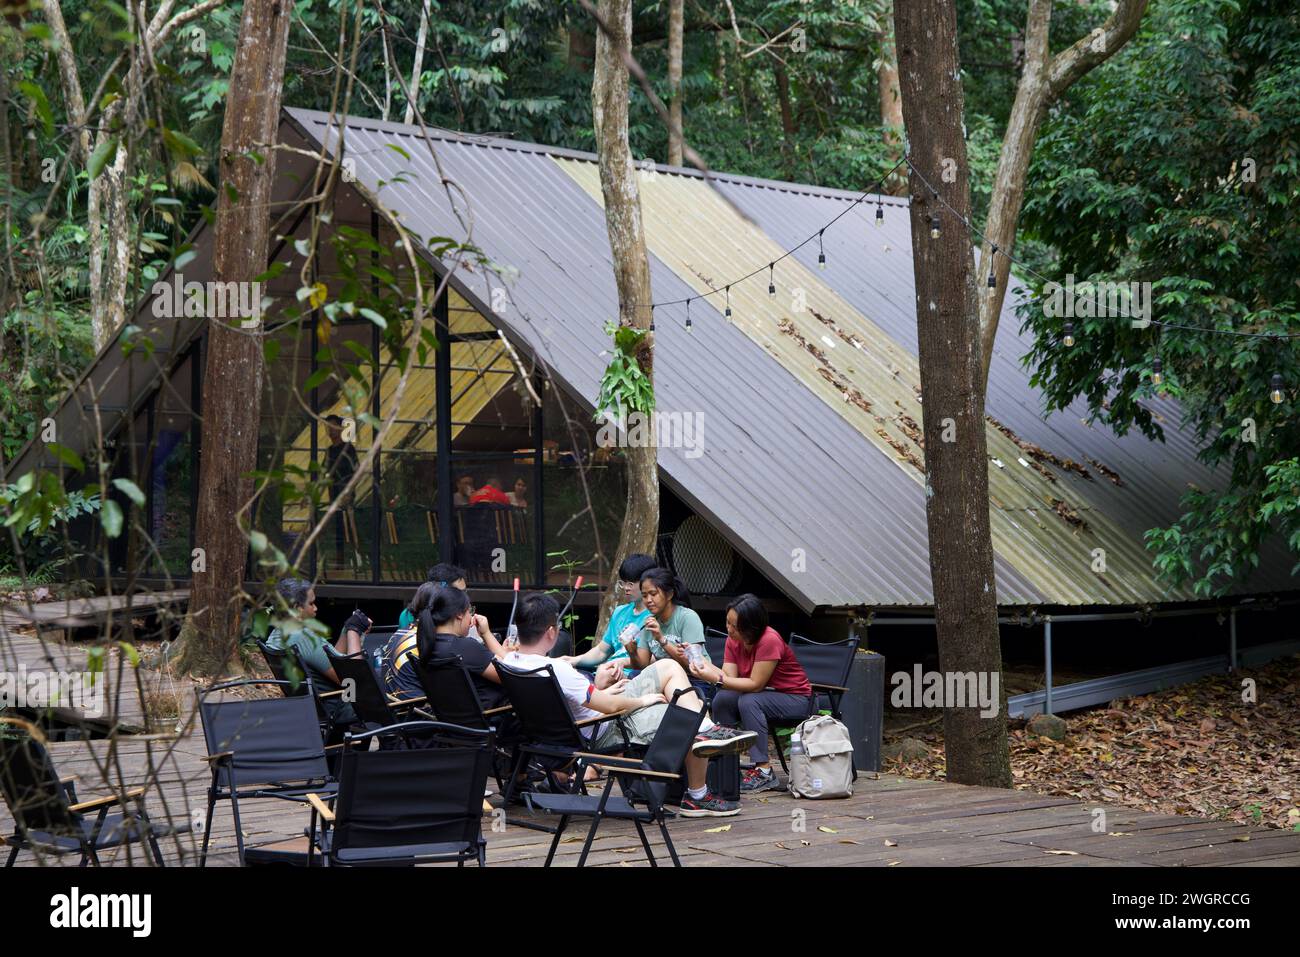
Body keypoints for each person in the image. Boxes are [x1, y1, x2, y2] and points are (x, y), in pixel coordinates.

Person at [503, 592, 755, 817]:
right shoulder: (557, 668)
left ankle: (705, 729)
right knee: (688, 709)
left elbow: (582, 700)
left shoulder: (510, 662)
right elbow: (610, 708)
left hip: (580, 721)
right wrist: (641, 701)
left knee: (668, 667)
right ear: (550, 632)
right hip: (604, 726)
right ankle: (698, 793)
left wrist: (604, 688)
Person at [689, 594, 814, 792]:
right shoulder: (733, 639)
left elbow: (755, 684)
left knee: (750, 701)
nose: (729, 629)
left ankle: (764, 770)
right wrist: (703, 665)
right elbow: (729, 679)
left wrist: (716, 678)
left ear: (751, 627)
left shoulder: (769, 639)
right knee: (723, 699)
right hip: (763, 695)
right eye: (727, 622)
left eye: (735, 625)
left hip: (796, 698)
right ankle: (727, 766)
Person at [265, 577, 358, 727]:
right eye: (311, 603)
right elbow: (349, 678)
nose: (316, 608)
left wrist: (345, 631)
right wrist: (355, 634)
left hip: (310, 709)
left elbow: (331, 661)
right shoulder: (303, 638)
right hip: (338, 709)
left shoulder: (276, 636)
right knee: (382, 695)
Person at [561, 553, 656, 677]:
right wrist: (573, 660)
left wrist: (622, 662)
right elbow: (601, 651)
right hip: (606, 673)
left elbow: (657, 658)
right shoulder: (620, 612)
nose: (626, 588)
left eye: (631, 584)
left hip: (633, 676)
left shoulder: (657, 615)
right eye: (623, 583)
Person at [418, 585, 508, 711]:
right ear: (459, 614)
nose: (471, 616)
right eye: (469, 611)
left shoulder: (428, 644)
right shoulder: (464, 647)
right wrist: (486, 633)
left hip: (456, 722)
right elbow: (513, 675)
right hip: (494, 718)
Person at [625, 568, 711, 673]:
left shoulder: (688, 617)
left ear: (669, 594)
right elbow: (641, 666)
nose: (648, 600)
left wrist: (661, 639)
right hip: (665, 678)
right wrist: (632, 652)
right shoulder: (649, 622)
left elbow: (693, 664)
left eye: (653, 594)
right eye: (644, 595)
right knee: (633, 675)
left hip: (697, 680)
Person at [396, 563, 492, 642]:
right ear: (440, 591)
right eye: (459, 592)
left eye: (465, 592)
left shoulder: (463, 613)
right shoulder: (408, 616)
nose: (464, 597)